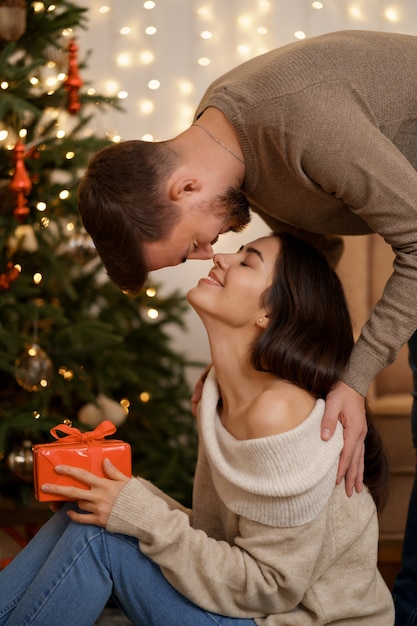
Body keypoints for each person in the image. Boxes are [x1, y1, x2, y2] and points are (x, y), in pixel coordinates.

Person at [77, 30, 417, 621]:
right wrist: (252, 362)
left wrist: (354, 378)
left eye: (188, 246)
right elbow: (309, 260)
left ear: (182, 188)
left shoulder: (298, 122)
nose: (209, 253)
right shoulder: (224, 139)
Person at [0, 233, 393, 624]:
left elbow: (269, 587)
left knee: (100, 536)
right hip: (259, 610)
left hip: (300, 619)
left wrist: (137, 512)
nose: (221, 257)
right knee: (86, 508)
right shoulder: (222, 394)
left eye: (246, 261)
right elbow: (219, 539)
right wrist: (119, 497)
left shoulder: (278, 411)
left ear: (270, 314)